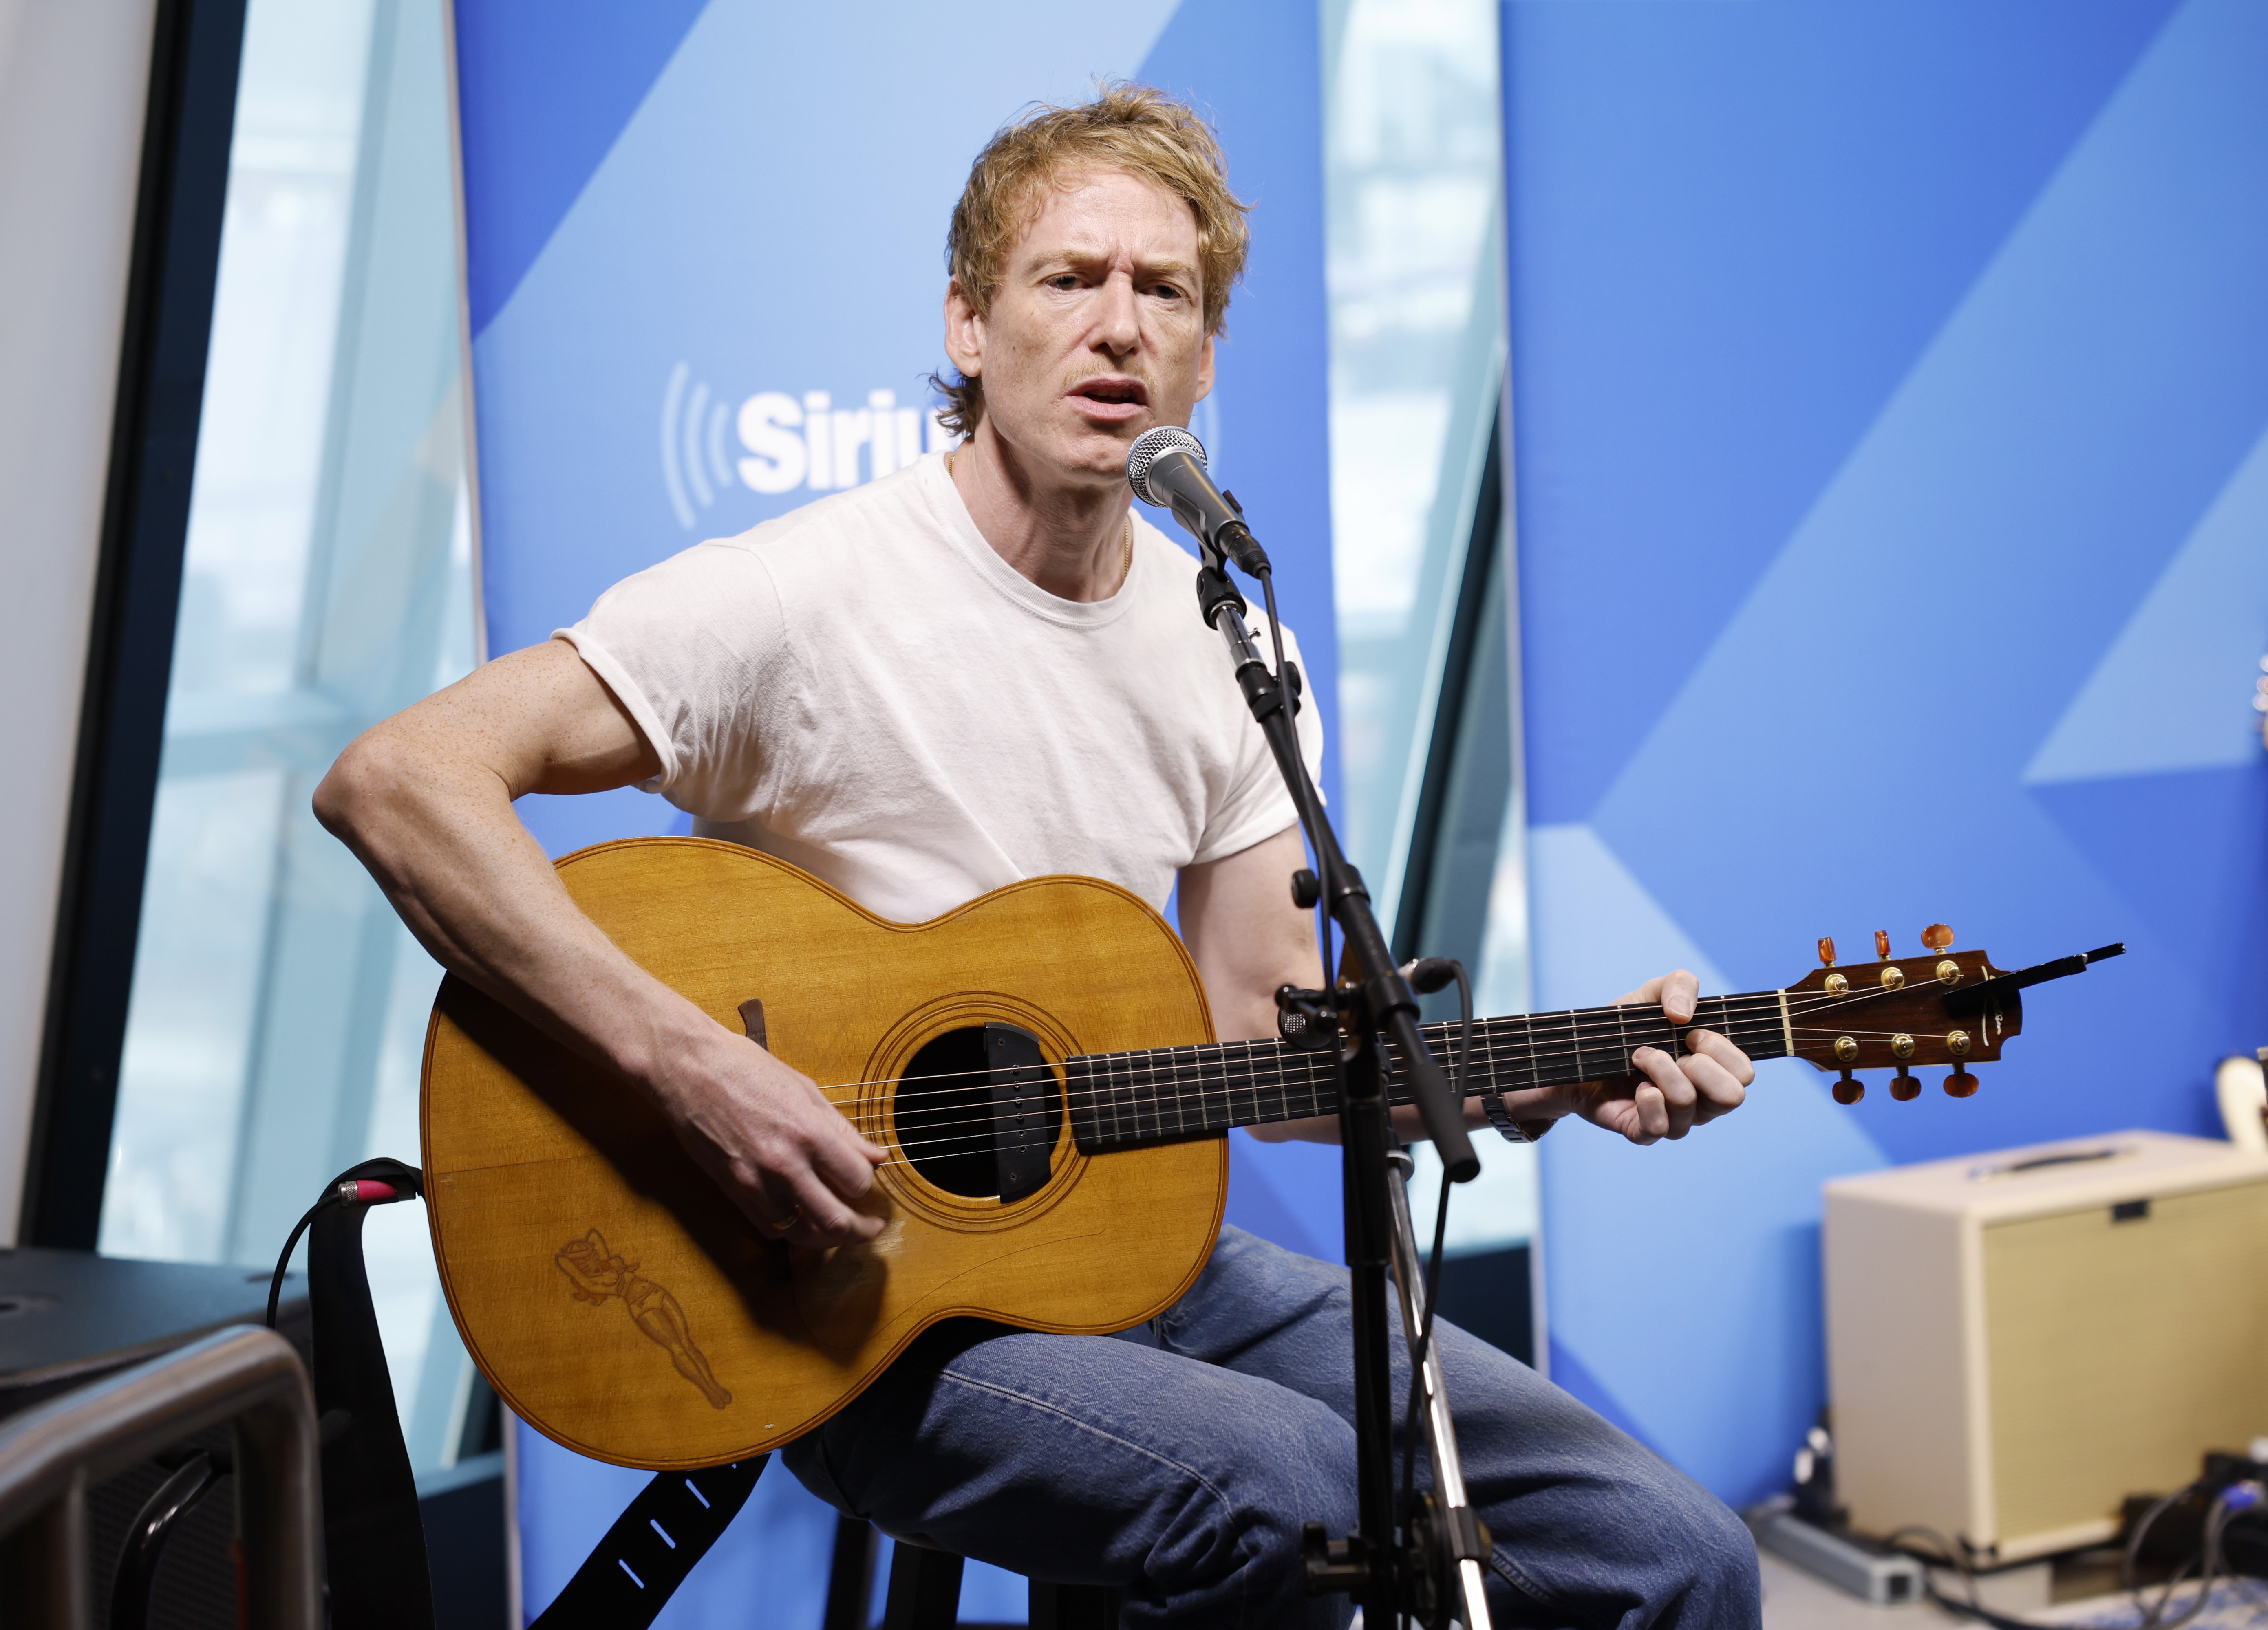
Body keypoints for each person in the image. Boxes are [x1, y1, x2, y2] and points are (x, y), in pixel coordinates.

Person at [316, 84, 1761, 1628]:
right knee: (1289, 1494)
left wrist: (1529, 1080)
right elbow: (400, 780)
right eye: (1070, 279)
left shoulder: (1233, 648)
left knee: (1673, 1553)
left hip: (1132, 1267)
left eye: (1166, 293)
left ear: (1205, 356)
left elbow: (1262, 1036)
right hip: (841, 1297)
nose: (1119, 327)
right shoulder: (797, 597)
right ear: (967, 322)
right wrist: (692, 1069)